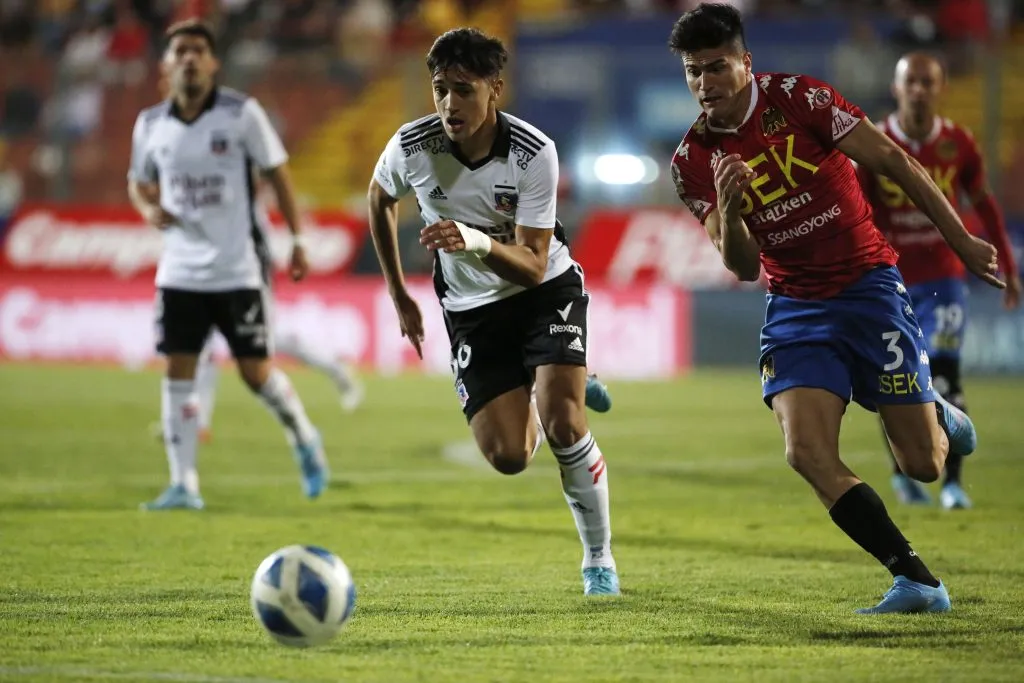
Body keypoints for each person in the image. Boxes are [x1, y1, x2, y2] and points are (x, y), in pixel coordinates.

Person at [667, 4, 1004, 614]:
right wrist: (733, 208)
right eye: (693, 72)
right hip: (795, 305)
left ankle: (938, 416)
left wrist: (960, 239)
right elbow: (742, 265)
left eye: (716, 67)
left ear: (745, 62)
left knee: (925, 466)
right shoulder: (692, 160)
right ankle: (918, 581)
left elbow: (895, 161)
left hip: (868, 288)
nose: (704, 84)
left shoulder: (801, 99)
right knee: (805, 453)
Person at [367, 28, 619, 595]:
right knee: (508, 457)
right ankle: (552, 375)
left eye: (463, 89)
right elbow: (379, 199)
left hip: (542, 293)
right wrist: (398, 291)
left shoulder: (533, 153)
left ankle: (598, 559)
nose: (450, 104)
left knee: (564, 423)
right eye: (440, 90)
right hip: (472, 310)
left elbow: (531, 265)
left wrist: (474, 240)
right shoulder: (414, 147)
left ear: (495, 89)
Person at [128, 19, 328, 510]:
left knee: (255, 374)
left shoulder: (242, 114)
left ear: (213, 63)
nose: (190, 58)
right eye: (181, 51)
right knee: (178, 371)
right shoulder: (150, 124)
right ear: (166, 65)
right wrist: (149, 207)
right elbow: (138, 180)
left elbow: (278, 173)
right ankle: (183, 484)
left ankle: (304, 437)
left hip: (238, 267)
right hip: (179, 269)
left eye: (199, 50)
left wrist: (298, 238)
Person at [858, 52, 1021, 510]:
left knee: (945, 376)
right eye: (911, 82)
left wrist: (1007, 267)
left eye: (927, 82)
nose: (919, 90)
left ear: (941, 86)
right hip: (889, 280)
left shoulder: (958, 143)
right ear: (897, 87)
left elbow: (985, 205)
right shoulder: (873, 144)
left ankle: (952, 483)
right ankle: (904, 473)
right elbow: (858, 213)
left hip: (944, 278)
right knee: (893, 380)